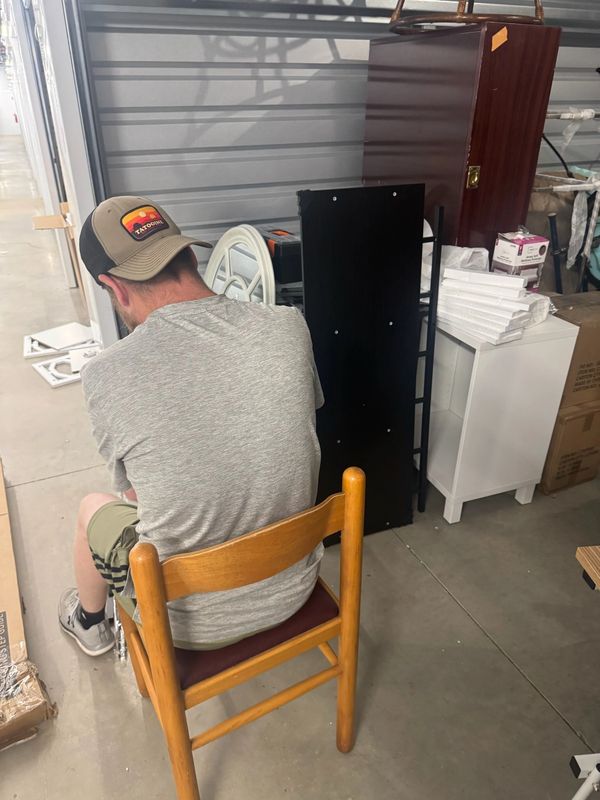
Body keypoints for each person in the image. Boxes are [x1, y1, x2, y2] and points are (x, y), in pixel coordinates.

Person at [58, 196, 324, 656]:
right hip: (294, 587)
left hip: (188, 624)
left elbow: (138, 499)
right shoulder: (288, 326)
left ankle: (89, 623)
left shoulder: (106, 374)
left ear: (114, 288)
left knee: (91, 507)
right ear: (187, 254)